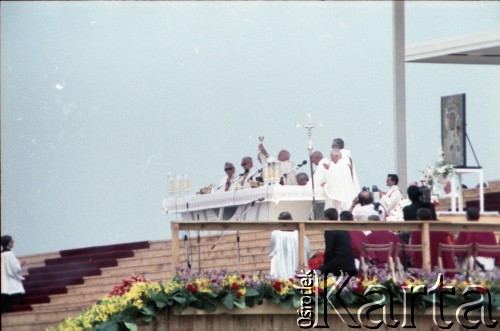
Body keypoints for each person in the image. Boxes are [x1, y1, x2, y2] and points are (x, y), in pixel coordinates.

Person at [269, 212, 310, 278]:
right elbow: (307, 252)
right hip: (295, 265)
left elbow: (271, 252)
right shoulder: (300, 235)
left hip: (282, 267)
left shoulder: (275, 234)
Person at [318, 208, 356, 276]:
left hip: (338, 265)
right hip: (350, 264)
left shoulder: (329, 230)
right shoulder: (343, 229)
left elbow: (329, 250)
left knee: (317, 272)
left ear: (327, 218)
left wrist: (325, 265)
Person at [1, 235, 25, 314]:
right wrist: (20, 265)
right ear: (8, 242)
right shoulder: (9, 254)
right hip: (11, 283)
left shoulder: (2, 254)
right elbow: (14, 269)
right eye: (12, 241)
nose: (13, 242)